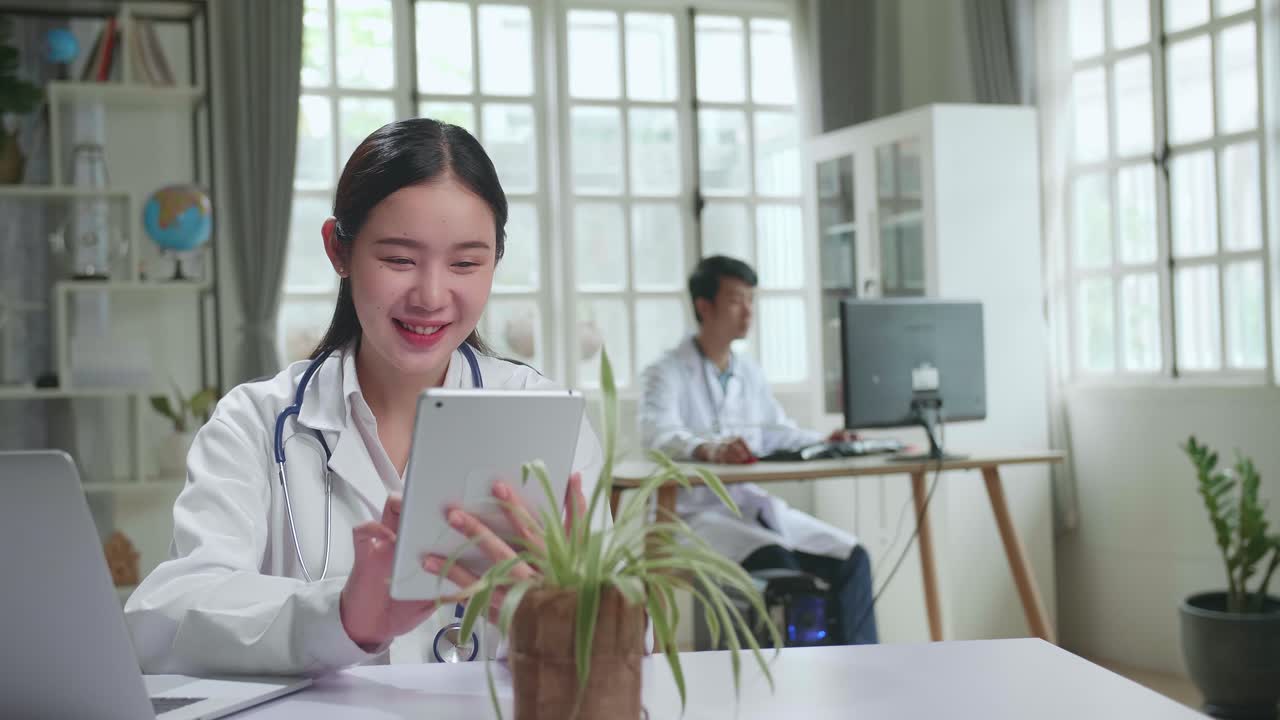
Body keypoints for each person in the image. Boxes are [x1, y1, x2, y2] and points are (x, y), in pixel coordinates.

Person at [125, 119, 604, 676]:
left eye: (466, 263)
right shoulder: (257, 424)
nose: (430, 295)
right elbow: (164, 622)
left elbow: (629, 631)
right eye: (399, 260)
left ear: (495, 260)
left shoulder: (546, 416)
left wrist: (570, 620)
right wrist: (343, 616)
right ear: (339, 250)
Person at [638, 255, 878, 645]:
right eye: (736, 300)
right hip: (692, 516)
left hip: (754, 509)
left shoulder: (748, 371)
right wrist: (710, 450)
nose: (748, 311)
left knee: (853, 560)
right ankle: (786, 692)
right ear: (704, 306)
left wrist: (825, 442)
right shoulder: (665, 372)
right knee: (782, 569)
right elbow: (658, 435)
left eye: (751, 299)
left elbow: (777, 432)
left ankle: (860, 679)